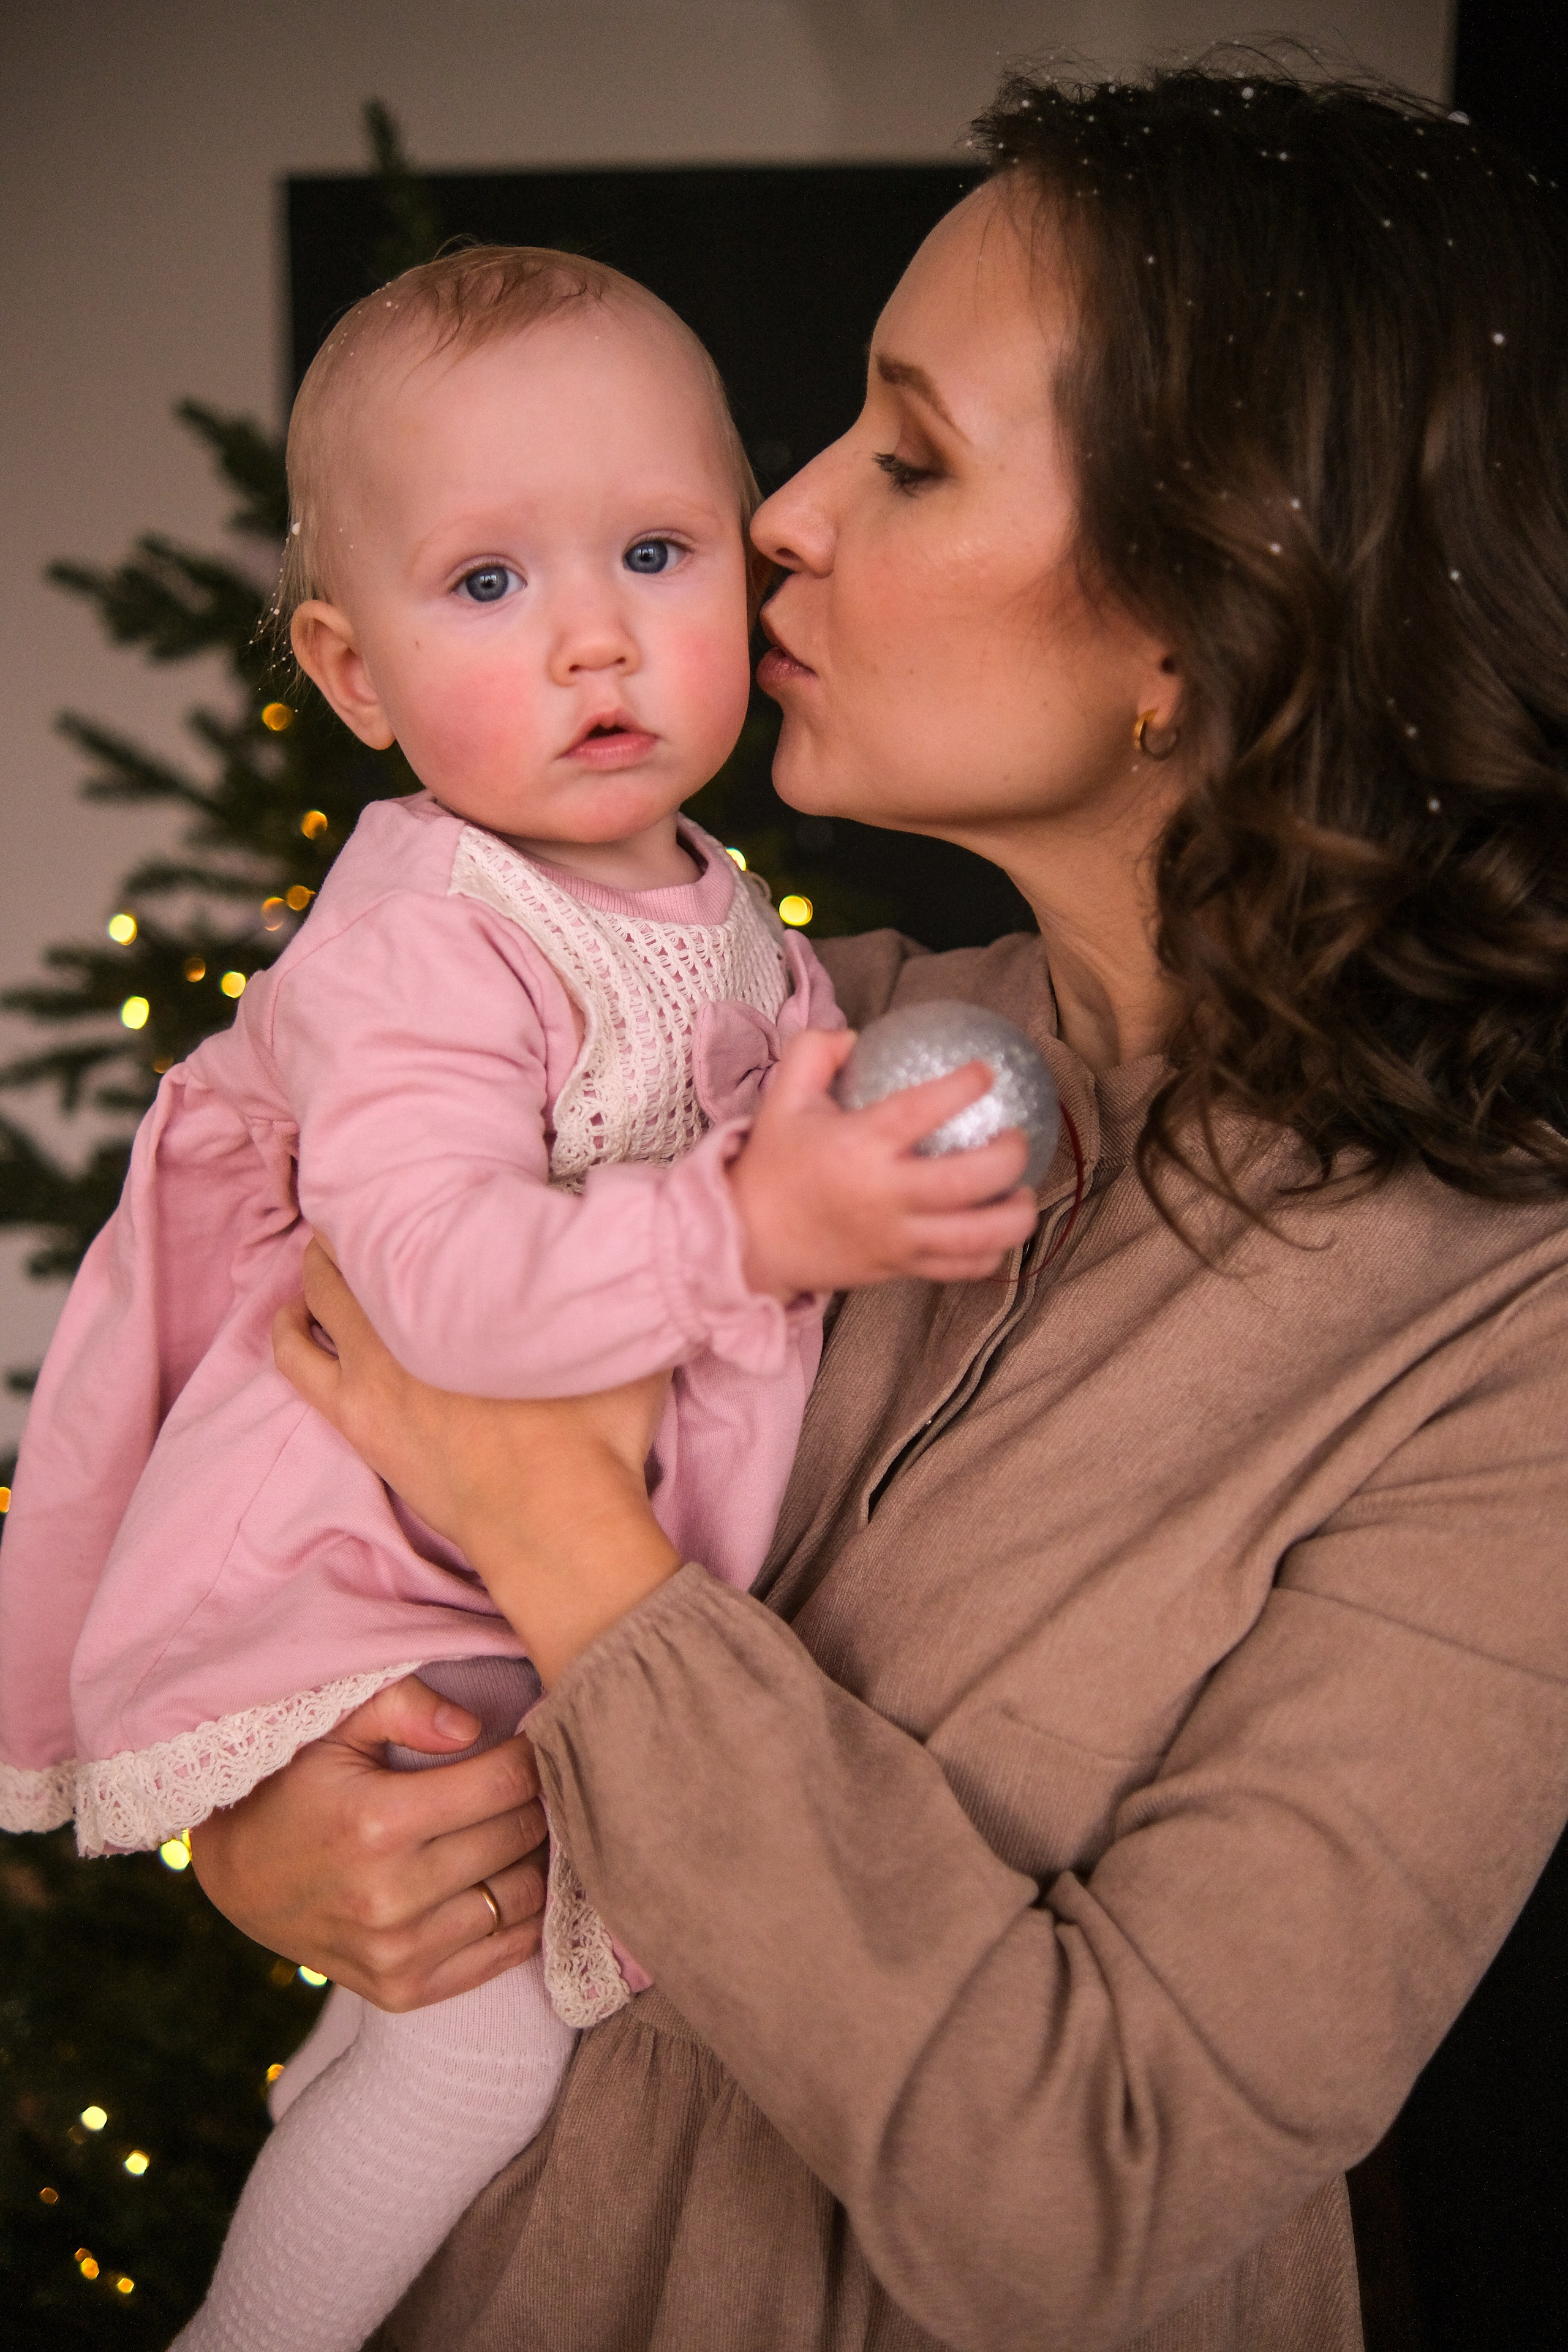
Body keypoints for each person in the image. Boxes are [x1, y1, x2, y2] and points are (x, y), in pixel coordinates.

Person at [193, 62, 1568, 2352]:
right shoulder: (727, 1048)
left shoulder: (1505, 1341)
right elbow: (271, 1399)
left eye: (908, 454)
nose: (781, 517)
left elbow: (1093, 2195)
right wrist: (284, 1830)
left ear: (1202, 614)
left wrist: (576, 1560)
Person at [0, 246, 1035, 2352]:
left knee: (426, 2037)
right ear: (352, 671)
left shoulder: (723, 911)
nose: (591, 639)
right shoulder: (415, 943)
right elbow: (446, 1298)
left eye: (654, 551)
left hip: (505, 1569)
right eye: (485, 585)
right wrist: (753, 1232)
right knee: (482, 2055)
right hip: (370, 1573)